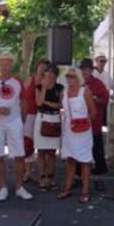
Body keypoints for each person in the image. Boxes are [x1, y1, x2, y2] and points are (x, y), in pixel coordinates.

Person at [0, 53, 33, 202]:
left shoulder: (17, 82)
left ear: (12, 66)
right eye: (2, 64)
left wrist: (22, 119)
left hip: (14, 122)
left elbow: (24, 101)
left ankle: (19, 187)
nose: (5, 66)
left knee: (19, 155)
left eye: (8, 64)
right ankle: (3, 188)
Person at [58, 67, 96, 203]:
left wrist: (84, 124)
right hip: (69, 130)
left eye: (72, 76)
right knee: (70, 159)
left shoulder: (85, 91)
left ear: (78, 77)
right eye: (67, 76)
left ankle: (85, 190)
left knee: (85, 161)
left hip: (83, 131)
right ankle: (67, 188)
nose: (69, 79)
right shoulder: (64, 92)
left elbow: (93, 111)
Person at [79, 58, 109, 191]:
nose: (85, 71)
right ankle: (80, 171)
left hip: (94, 120)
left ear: (91, 70)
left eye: (87, 69)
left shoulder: (98, 83)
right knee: (81, 147)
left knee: (96, 145)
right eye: (83, 69)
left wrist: (94, 99)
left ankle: (100, 168)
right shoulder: (76, 83)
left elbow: (105, 100)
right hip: (79, 121)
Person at [34, 63, 63, 191]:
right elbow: (39, 103)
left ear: (56, 75)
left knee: (52, 152)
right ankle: (42, 178)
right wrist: (44, 87)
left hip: (55, 119)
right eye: (48, 72)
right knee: (41, 151)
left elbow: (59, 105)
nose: (50, 75)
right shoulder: (39, 87)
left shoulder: (60, 88)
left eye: (53, 72)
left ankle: (50, 178)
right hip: (41, 118)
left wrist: (47, 102)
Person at [23, 59, 49, 182]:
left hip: (41, 116)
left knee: (41, 145)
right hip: (28, 115)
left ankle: (42, 174)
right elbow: (21, 97)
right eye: (41, 67)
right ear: (37, 67)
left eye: (45, 68)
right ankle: (27, 172)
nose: (42, 69)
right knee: (27, 144)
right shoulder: (30, 79)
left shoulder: (47, 82)